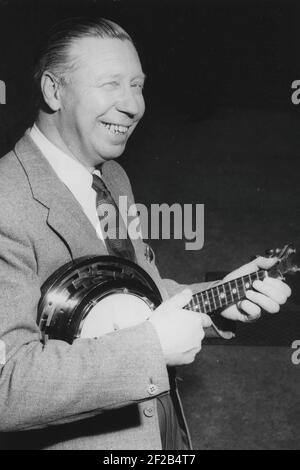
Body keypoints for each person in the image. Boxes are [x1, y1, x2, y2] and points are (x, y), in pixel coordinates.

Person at [0, 17, 291, 450]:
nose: (133, 105)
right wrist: (152, 348)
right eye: (111, 84)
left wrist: (223, 295)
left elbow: (138, 299)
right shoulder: (7, 201)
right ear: (53, 90)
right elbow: (9, 389)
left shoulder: (112, 177)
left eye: (137, 85)